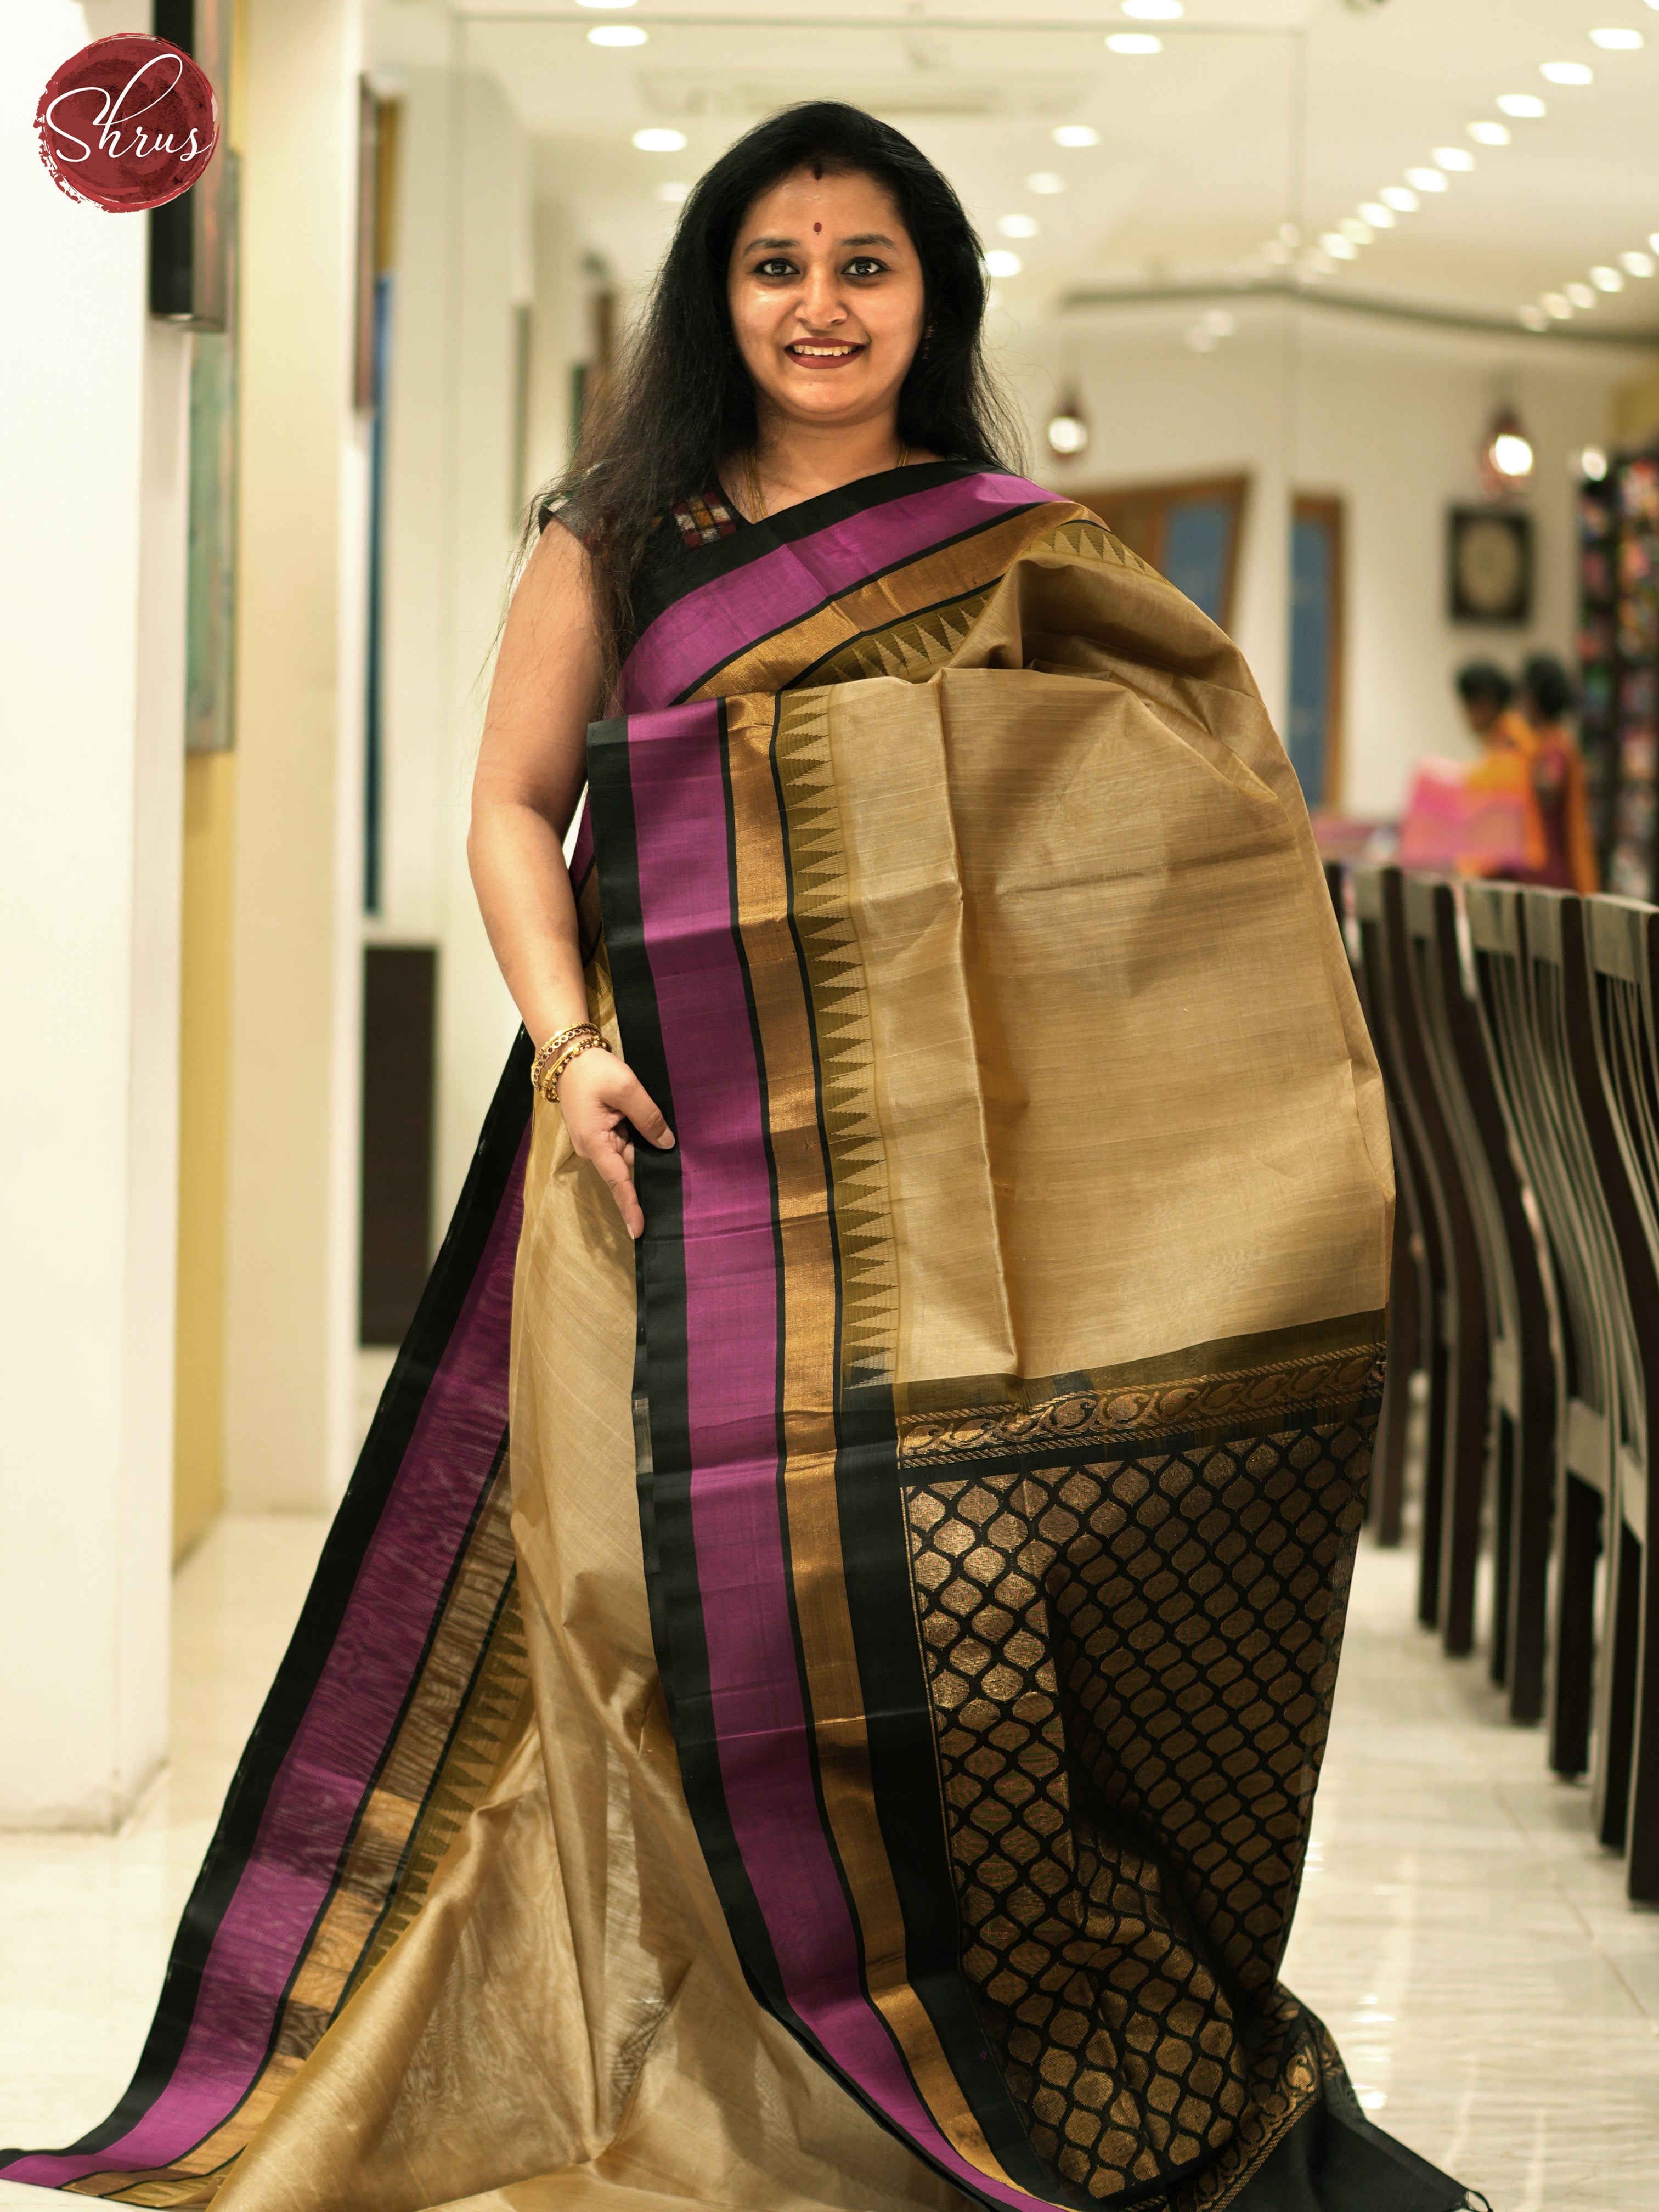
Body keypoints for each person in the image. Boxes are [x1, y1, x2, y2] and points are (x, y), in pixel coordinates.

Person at [2, 104, 1477, 2212]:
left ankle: (928, 2074)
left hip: (930, 1235)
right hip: (651, 1179)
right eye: (774, 261)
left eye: (861, 264)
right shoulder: (618, 536)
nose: (815, 303)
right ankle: (700, 2078)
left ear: (930, 300)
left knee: (906, 1639)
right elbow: (513, 808)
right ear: (718, 290)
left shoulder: (1007, 550)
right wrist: (568, 1038)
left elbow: (1173, 819)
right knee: (642, 1626)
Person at [1451, 655, 1598, 894]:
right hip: (1533, 874)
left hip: (1544, 877)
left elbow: (1547, 785)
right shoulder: (1536, 743)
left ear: (1532, 699)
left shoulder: (1551, 746)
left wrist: (1516, 769)